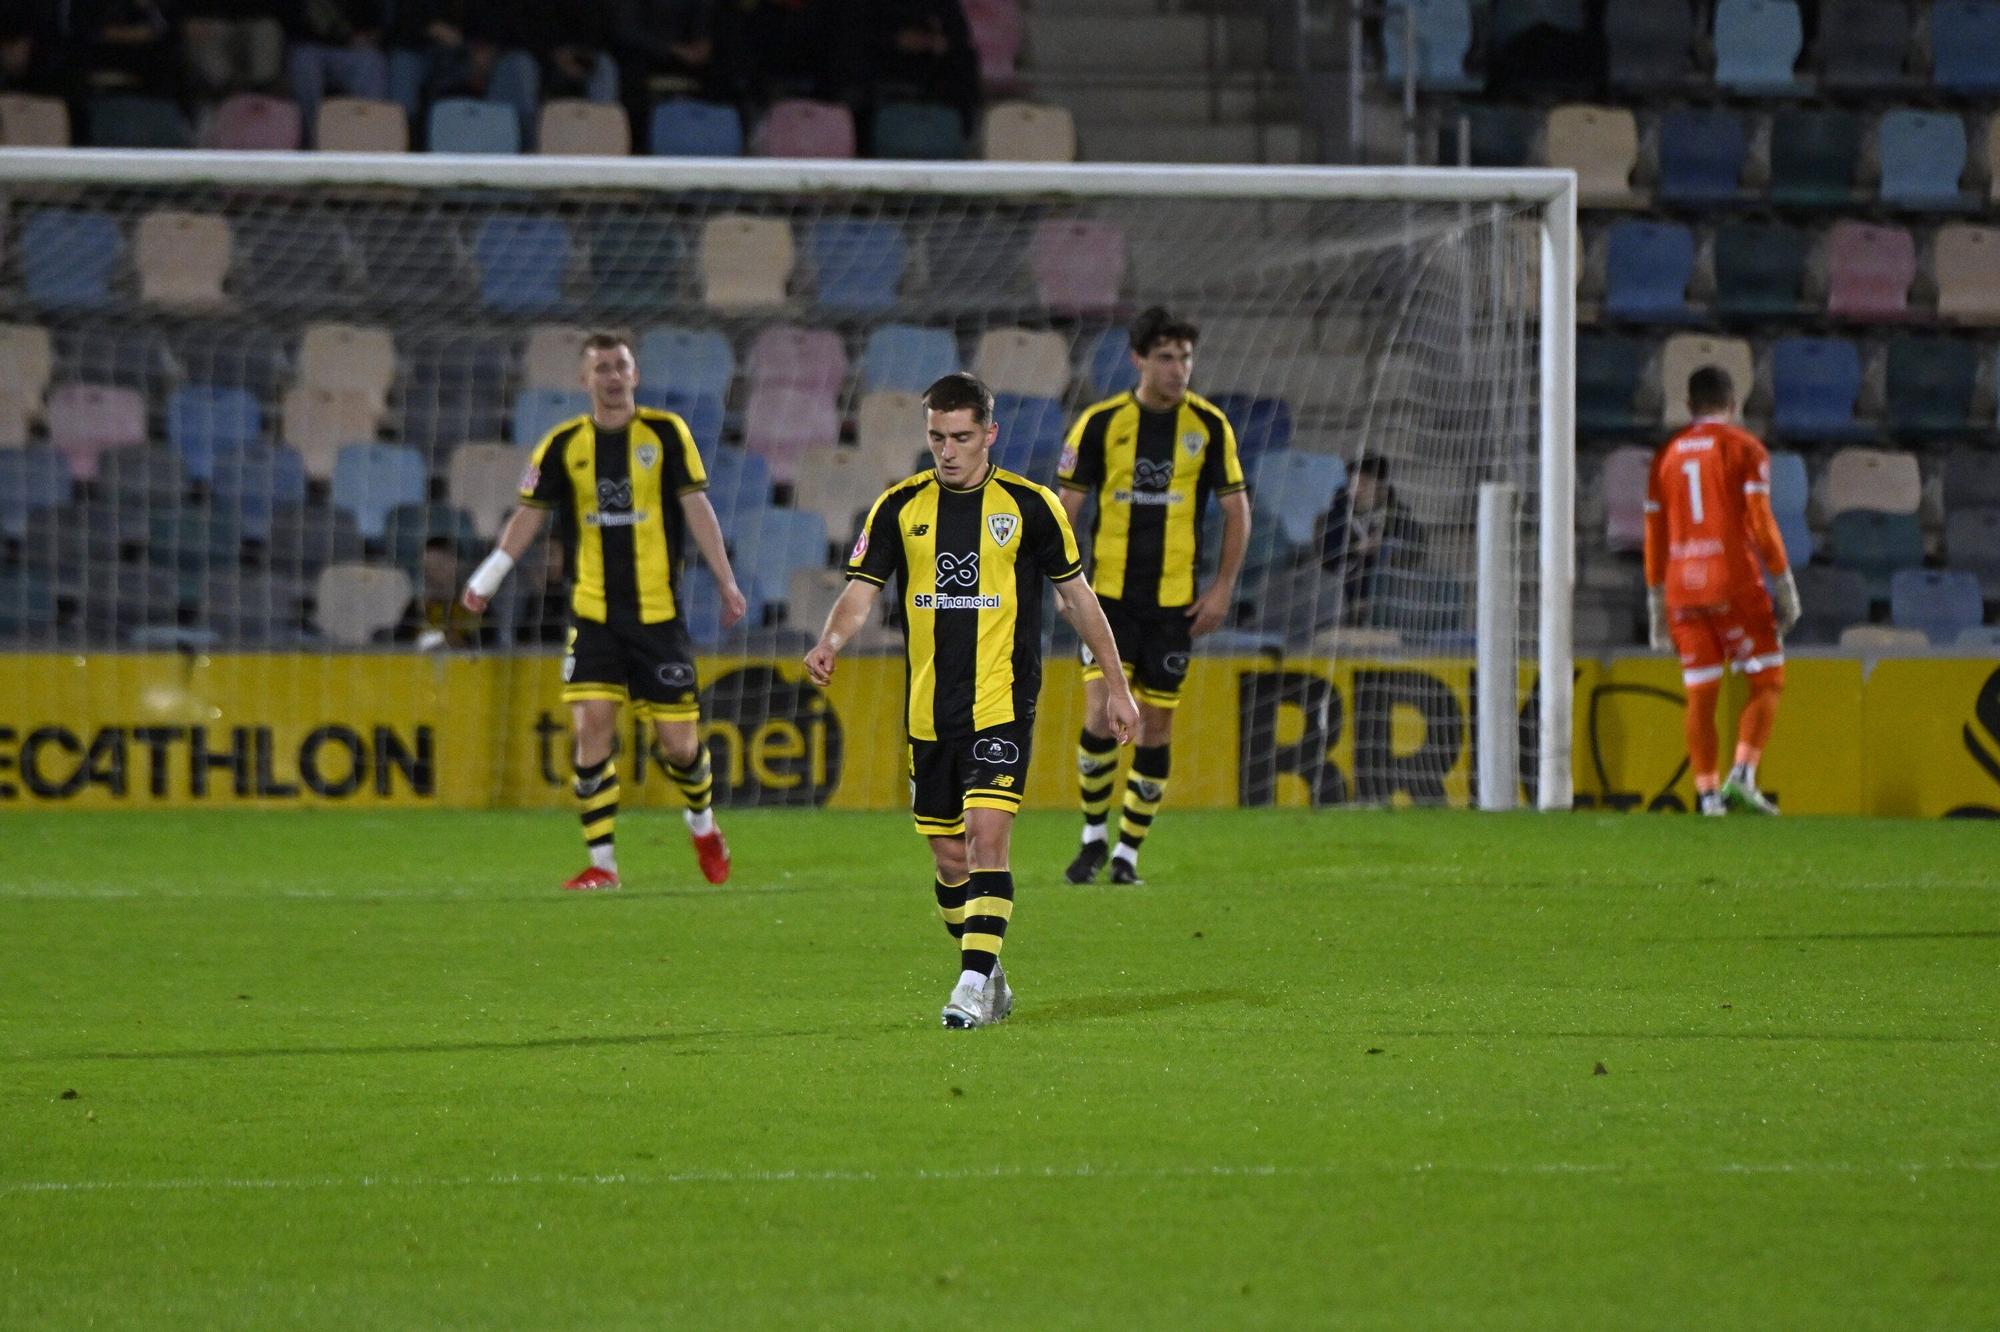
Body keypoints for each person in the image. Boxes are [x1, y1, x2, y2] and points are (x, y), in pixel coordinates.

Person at [806, 373, 1139, 1030]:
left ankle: (966, 986)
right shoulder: (899, 507)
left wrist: (1117, 684)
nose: (948, 451)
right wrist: (830, 640)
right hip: (929, 712)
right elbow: (861, 592)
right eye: (937, 437)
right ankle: (990, 973)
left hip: (1003, 703)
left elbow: (1078, 600)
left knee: (988, 840)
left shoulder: (1032, 506)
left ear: (989, 434)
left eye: (961, 437)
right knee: (949, 858)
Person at [462, 333, 749, 889]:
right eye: (601, 368)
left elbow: (697, 506)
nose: (613, 376)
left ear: (635, 375)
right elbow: (528, 515)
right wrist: (489, 575)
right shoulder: (562, 445)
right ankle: (603, 865)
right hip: (592, 615)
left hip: (658, 617)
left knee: (680, 746)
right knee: (592, 728)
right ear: (584, 379)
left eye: (620, 366)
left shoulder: (666, 434)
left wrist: (726, 581)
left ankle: (703, 824)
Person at [1054, 307, 1249, 887]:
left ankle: (1127, 855)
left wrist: (1221, 589)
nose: (1178, 368)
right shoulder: (1099, 423)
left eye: (1185, 357)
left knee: (1157, 724)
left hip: (1173, 604)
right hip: (1106, 600)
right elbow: (1066, 509)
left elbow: (1236, 511)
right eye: (1165, 356)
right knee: (1099, 712)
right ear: (1138, 359)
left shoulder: (1210, 426)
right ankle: (1092, 835)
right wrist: (1069, 589)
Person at [1645, 366, 1801, 816]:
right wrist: (1783, 581)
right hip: (1731, 581)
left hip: (1681, 588)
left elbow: (1654, 533)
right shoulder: (1745, 448)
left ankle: (1708, 795)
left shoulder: (1666, 455)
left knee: (1701, 694)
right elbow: (1760, 519)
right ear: (1734, 405)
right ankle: (1743, 775)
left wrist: (1655, 601)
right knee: (1768, 678)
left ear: (1690, 407)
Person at [1313, 454, 1425, 625]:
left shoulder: (1398, 517)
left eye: (1363, 485)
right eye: (1352, 484)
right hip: (1340, 595)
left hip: (1389, 596)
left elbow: (1415, 552)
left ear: (1381, 488)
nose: (1355, 491)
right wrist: (1355, 550)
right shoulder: (1333, 518)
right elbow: (1326, 556)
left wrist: (1385, 547)